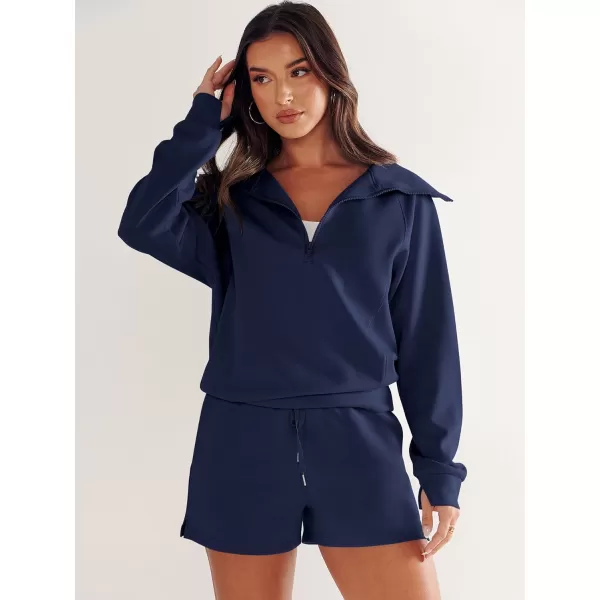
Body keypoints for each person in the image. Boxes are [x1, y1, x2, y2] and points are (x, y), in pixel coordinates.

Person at [117, 2, 467, 598]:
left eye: (299, 71)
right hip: (241, 438)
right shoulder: (231, 202)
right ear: (246, 93)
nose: (283, 94)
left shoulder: (399, 201)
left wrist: (438, 467)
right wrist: (204, 125)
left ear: (331, 72)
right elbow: (143, 221)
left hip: (358, 440)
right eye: (261, 78)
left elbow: (428, 341)